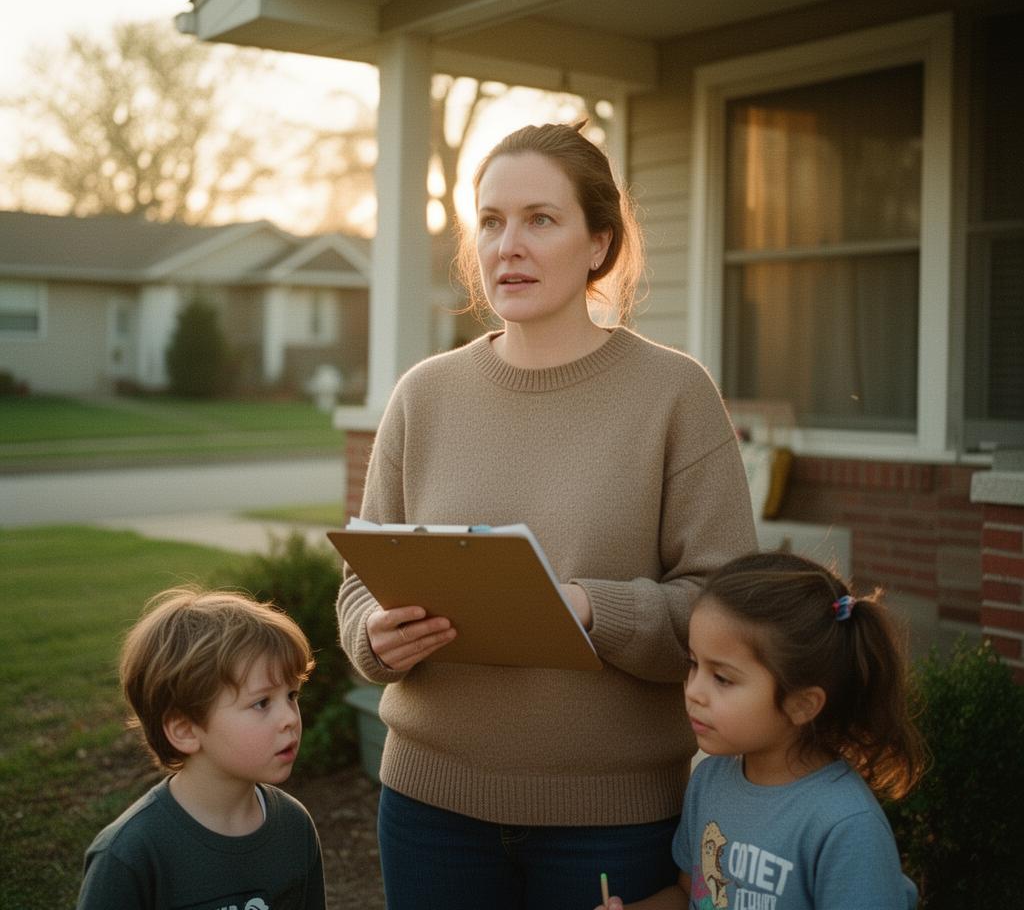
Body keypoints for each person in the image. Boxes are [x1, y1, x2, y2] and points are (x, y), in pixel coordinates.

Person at [336, 121, 758, 909]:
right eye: (491, 222)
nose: (508, 245)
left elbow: (728, 609)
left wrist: (593, 608)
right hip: (430, 809)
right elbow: (361, 581)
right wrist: (374, 635)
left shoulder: (674, 395)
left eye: (540, 219)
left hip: (612, 819)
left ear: (599, 243)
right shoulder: (422, 395)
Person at [594, 552, 926, 910]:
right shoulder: (709, 782)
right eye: (694, 664)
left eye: (722, 678)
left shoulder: (846, 825)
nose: (693, 690)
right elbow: (691, 895)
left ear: (802, 704)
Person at [76, 586, 326, 910]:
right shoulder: (129, 855)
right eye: (262, 702)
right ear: (185, 730)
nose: (289, 719)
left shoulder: (293, 826)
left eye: (292, 695)